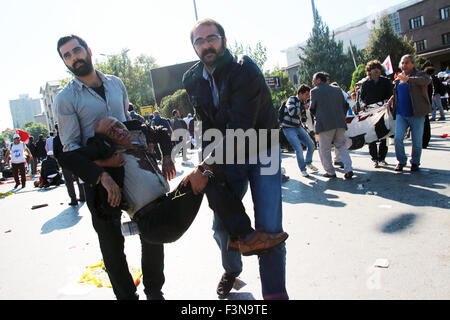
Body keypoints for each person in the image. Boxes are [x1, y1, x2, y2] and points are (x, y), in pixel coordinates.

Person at [54, 34, 166, 300]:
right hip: (98, 179)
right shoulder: (65, 98)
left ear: (88, 50)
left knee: (153, 228)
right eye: (67, 56)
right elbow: (70, 149)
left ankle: (154, 291)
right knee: (112, 245)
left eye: (76, 51)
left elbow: (127, 123)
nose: (74, 58)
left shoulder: (116, 84)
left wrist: (150, 151)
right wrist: (102, 172)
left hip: (133, 167)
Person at [183, 18, 288, 300]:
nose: (206, 45)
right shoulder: (191, 79)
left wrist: (206, 166)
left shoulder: (244, 69)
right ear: (193, 47)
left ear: (224, 41)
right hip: (228, 153)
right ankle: (232, 270)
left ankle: (275, 294)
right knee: (221, 224)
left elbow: (241, 127)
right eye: (199, 41)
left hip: (262, 148)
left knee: (269, 228)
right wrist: (205, 164)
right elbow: (205, 123)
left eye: (212, 38)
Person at [89, 116, 287, 254]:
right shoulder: (112, 160)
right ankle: (245, 237)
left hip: (168, 204)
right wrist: (101, 167)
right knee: (205, 173)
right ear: (105, 142)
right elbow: (75, 158)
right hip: (154, 221)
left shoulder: (138, 141)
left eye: (117, 124)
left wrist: (166, 155)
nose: (118, 130)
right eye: (110, 132)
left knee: (205, 172)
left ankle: (238, 236)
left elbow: (161, 132)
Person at [388, 55, 431, 172]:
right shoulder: (399, 77)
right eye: (402, 63)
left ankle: (415, 163)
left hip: (416, 113)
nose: (404, 65)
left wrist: (409, 80)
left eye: (407, 63)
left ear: (413, 64)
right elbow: (398, 91)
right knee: (397, 138)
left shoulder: (420, 74)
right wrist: (392, 98)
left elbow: (427, 81)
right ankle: (401, 161)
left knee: (417, 141)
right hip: (401, 114)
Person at [309, 72, 353, 179]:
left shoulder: (314, 91)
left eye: (314, 80)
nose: (313, 82)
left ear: (319, 80)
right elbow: (345, 105)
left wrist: (319, 116)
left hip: (324, 124)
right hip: (340, 122)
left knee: (324, 149)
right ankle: (349, 168)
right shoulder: (337, 89)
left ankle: (330, 171)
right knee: (341, 146)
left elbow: (312, 108)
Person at [359, 60, 393, 167]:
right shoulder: (365, 84)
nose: (376, 70)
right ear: (369, 71)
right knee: (371, 136)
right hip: (370, 112)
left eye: (378, 68)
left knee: (383, 134)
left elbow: (391, 95)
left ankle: (382, 157)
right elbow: (361, 98)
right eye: (374, 68)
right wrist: (363, 104)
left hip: (383, 111)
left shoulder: (386, 81)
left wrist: (387, 100)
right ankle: (374, 158)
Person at [280, 84, 318, 177]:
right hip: (288, 128)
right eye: (306, 94)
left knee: (311, 145)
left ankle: (308, 162)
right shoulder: (292, 99)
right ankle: (303, 169)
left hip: (298, 126)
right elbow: (292, 112)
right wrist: (302, 108)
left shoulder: (302, 103)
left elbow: (303, 119)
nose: (307, 97)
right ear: (300, 93)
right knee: (299, 149)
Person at [53, 123, 86, 206]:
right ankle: (82, 196)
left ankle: (73, 199)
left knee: (69, 181)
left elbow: (55, 153)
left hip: (65, 162)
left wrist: (60, 161)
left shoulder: (56, 139)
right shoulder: (70, 135)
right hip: (74, 160)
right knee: (78, 179)